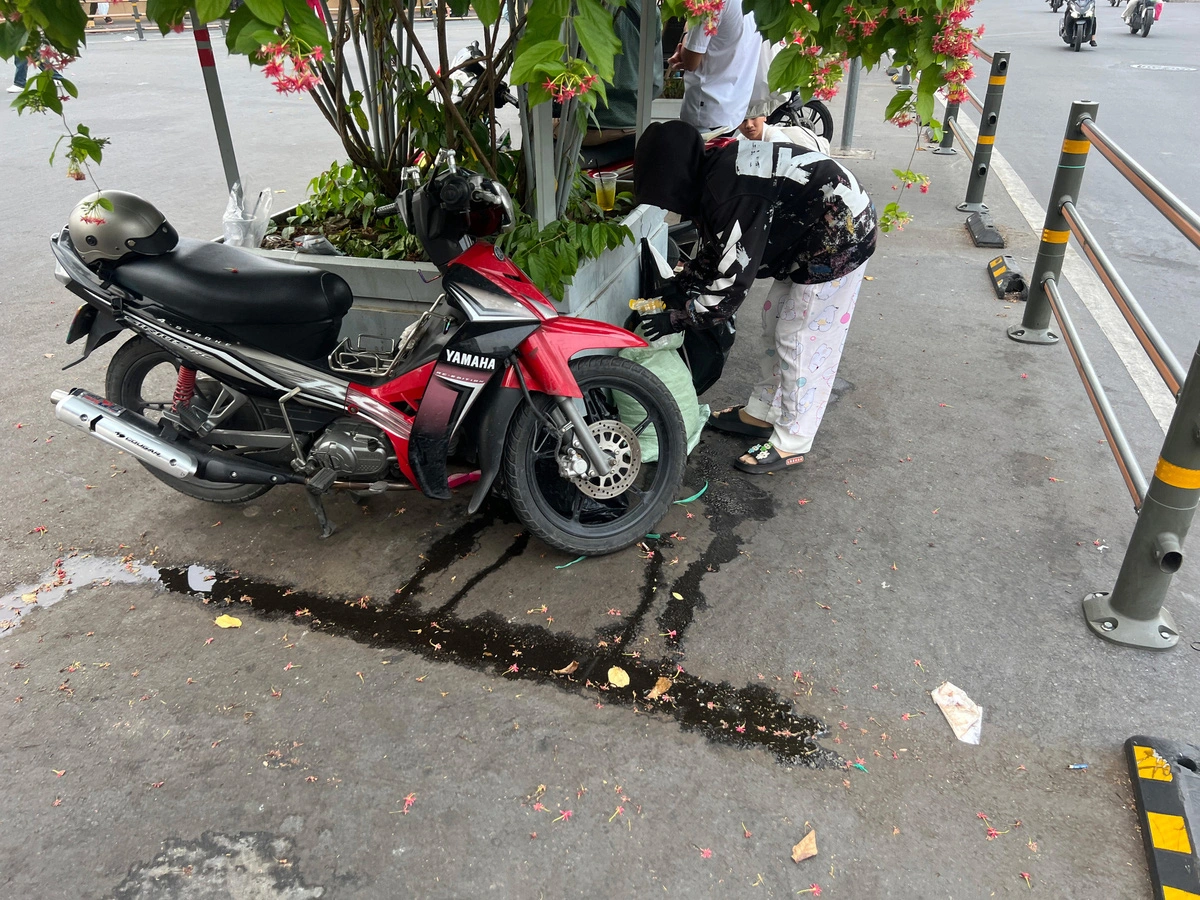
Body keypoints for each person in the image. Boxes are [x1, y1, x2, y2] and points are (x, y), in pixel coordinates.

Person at [633, 120, 877, 474]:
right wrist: (681, 287)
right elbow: (719, 250)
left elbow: (729, 287)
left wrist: (676, 316)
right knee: (774, 321)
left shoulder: (730, 191)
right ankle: (762, 413)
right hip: (812, 234)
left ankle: (793, 440)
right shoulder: (713, 169)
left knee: (800, 339)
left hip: (841, 238)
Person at [668, 0, 760, 133]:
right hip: (734, 107)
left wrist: (687, 32)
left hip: (707, 110)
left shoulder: (709, 4)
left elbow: (690, 61)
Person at [584, 0, 663, 147]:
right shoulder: (648, 11)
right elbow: (656, 84)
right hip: (633, 128)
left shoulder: (575, 8)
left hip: (585, 128)